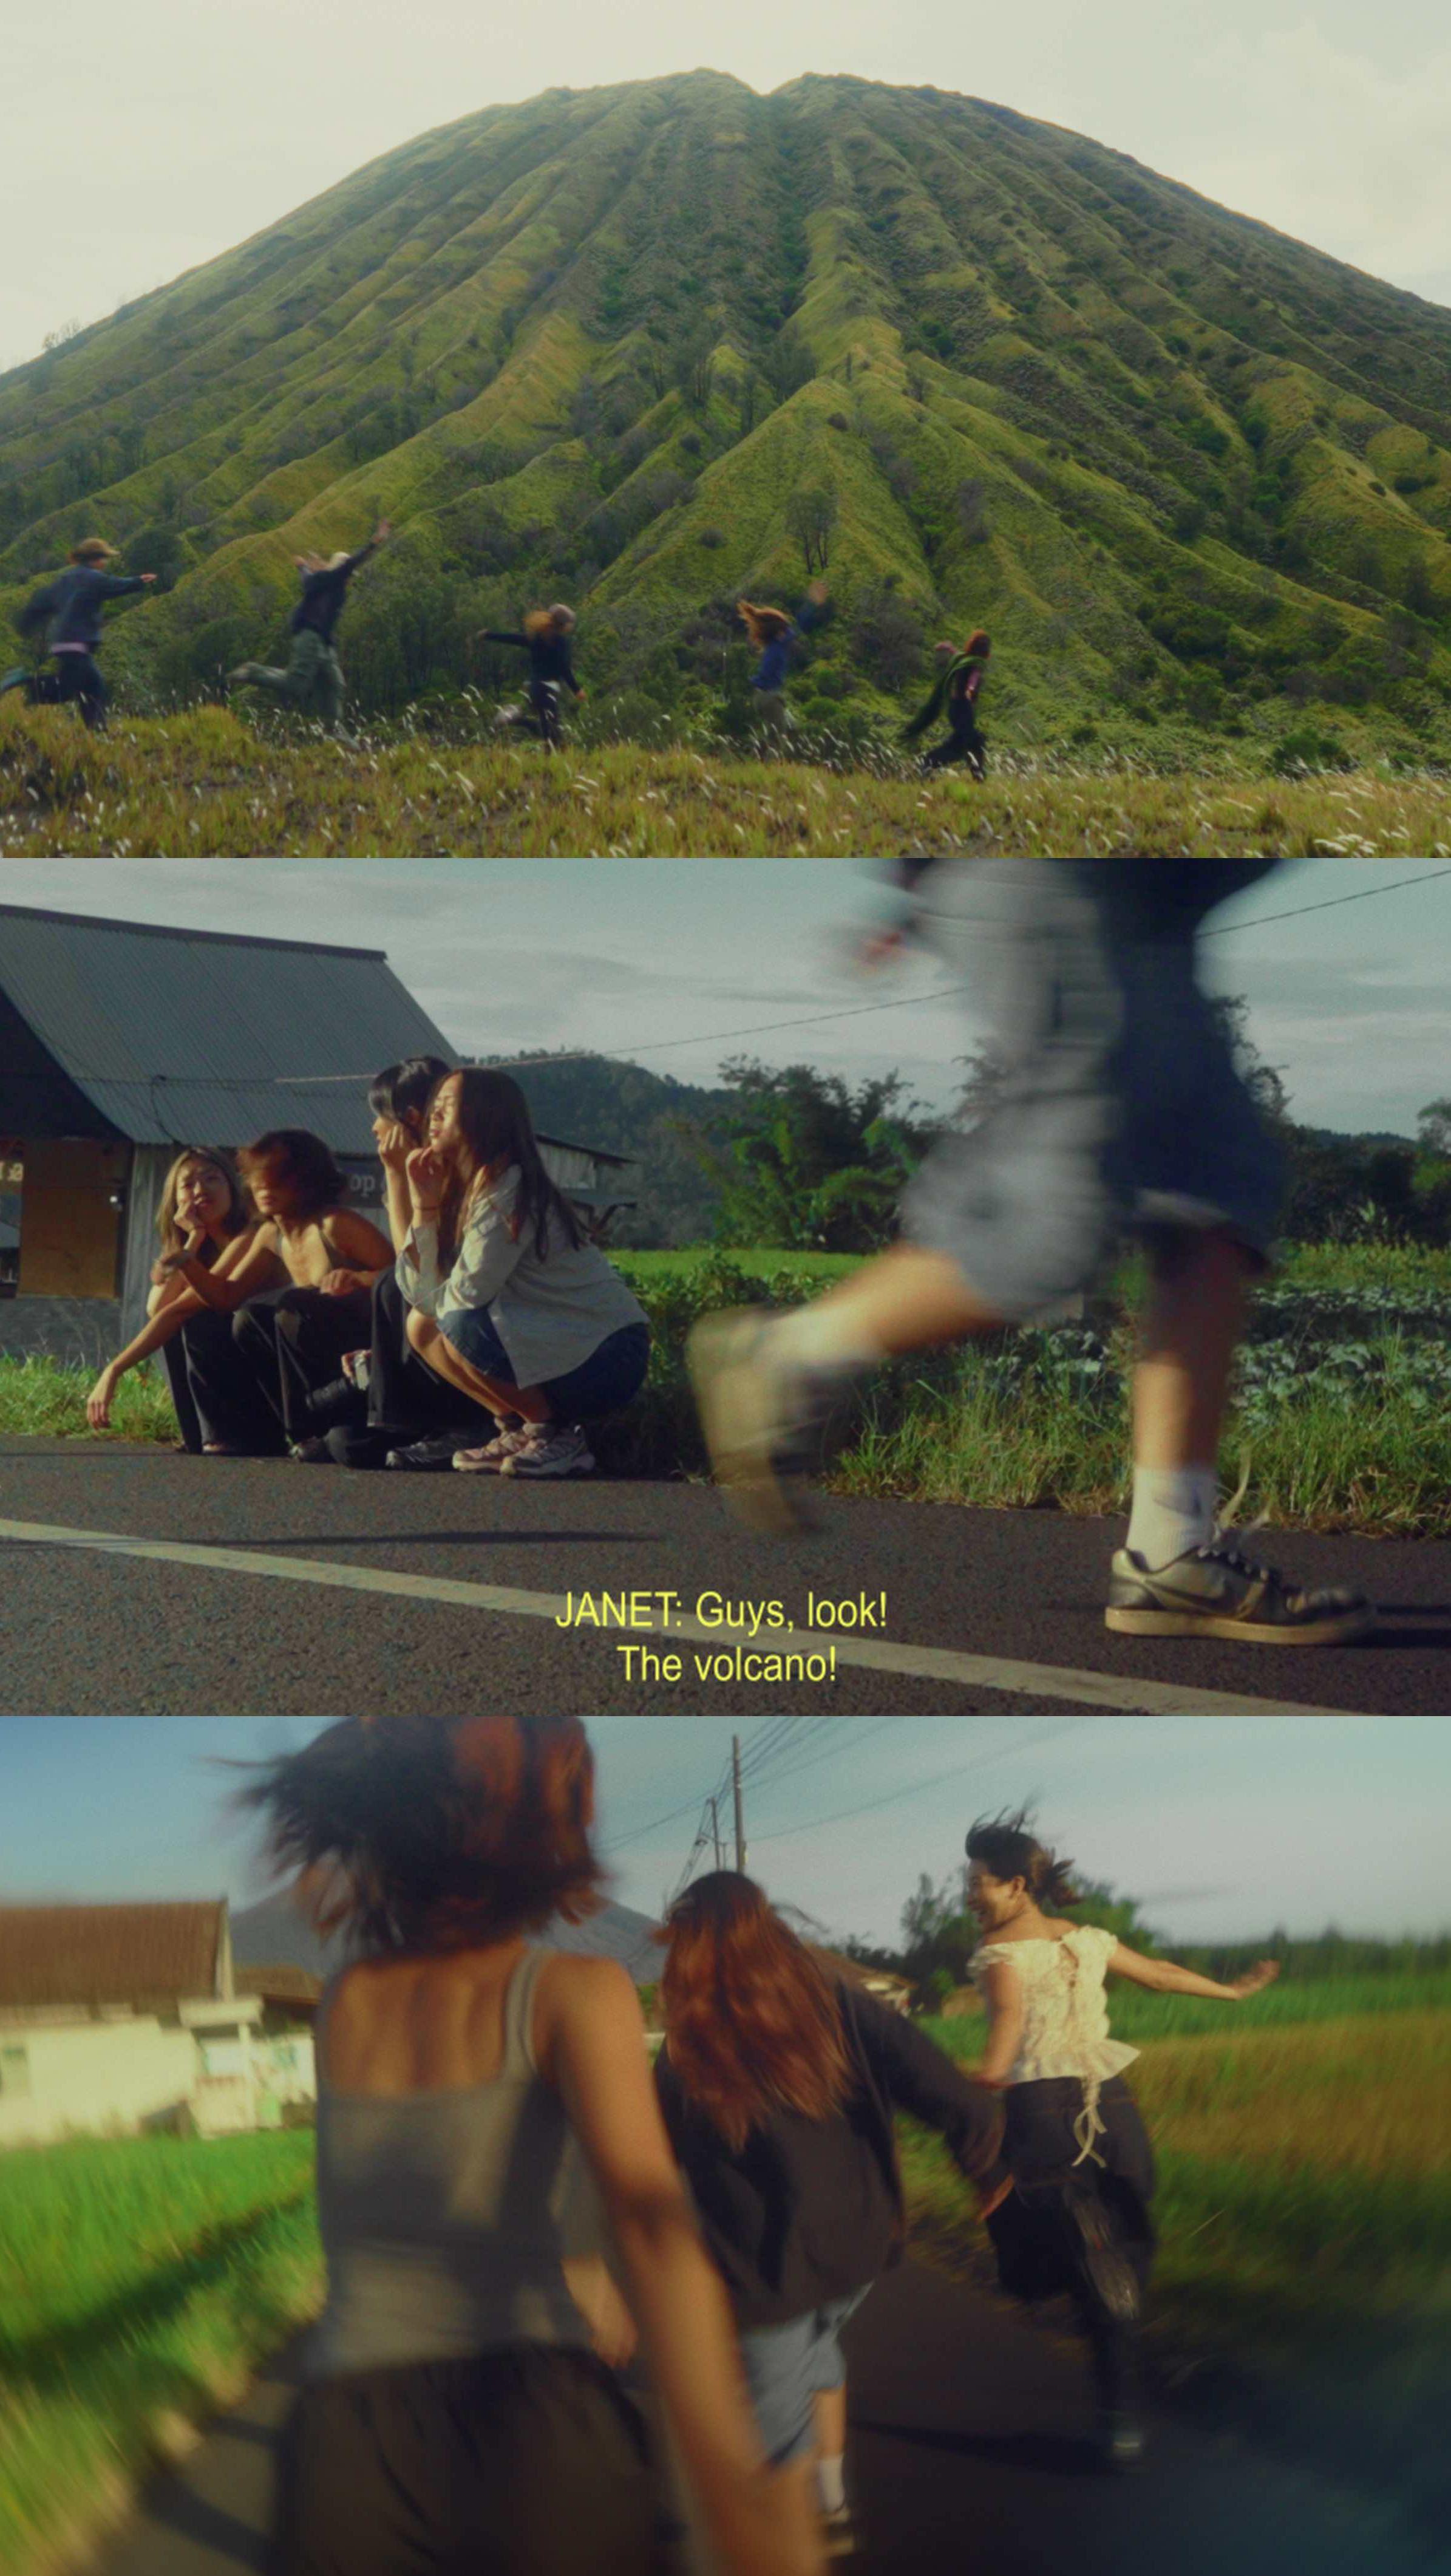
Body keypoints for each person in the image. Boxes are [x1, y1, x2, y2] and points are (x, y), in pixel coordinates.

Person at [688, 859, 1373, 1646]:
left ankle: (1170, 1550)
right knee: (1064, 1213)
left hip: (1148, 900)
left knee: (1218, 1194)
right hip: (1052, 877)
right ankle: (783, 1354)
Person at [246, 1716, 820, 2576]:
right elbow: (651, 2225)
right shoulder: (576, 1993)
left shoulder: (346, 2002)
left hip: (346, 2440)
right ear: (546, 1834)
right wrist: (732, 2491)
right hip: (530, 2426)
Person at [654, 1871, 1010, 2559]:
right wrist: (984, 2168)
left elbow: (655, 2167)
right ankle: (832, 2504)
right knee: (819, 2351)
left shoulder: (687, 2049)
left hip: (766, 2272)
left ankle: (779, 2541)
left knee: (768, 2435)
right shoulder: (837, 2005)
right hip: (859, 2246)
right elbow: (939, 2082)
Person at [965, 1809, 1279, 2469]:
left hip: (1043, 2113)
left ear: (1016, 1887)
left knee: (1083, 2253)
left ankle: (1117, 2404)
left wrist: (968, 2077)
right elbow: (1162, 1974)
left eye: (980, 1883)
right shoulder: (1086, 1938)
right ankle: (1121, 2365)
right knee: (1124, 2240)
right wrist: (1233, 1992)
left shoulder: (1000, 1956)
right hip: (1114, 2107)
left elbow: (1003, 2040)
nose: (970, 1895)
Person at [398, 1068, 650, 1481]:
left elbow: (466, 1298)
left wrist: (434, 1295)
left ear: (485, 1117)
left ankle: (555, 1436)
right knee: (422, 1326)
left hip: (610, 1355)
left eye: (446, 1107)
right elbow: (420, 1297)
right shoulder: (469, 1190)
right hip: (559, 1344)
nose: (433, 1118)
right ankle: (518, 1428)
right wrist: (423, 1206)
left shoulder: (511, 1192)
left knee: (458, 1320)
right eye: (434, 1108)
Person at [86, 1129, 393, 1453]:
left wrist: (360, 1279)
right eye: (258, 1176)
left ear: (306, 1179)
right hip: (309, 1366)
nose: (263, 1185)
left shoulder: (334, 1224)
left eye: (277, 1176)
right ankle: (294, 1432)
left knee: (291, 1305)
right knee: (247, 1318)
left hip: (359, 1356)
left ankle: (315, 1427)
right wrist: (187, 1259)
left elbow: (402, 1281)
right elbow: (222, 1298)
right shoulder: (271, 1234)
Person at [144, 1149, 257, 1452]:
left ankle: (223, 1433)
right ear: (175, 1198)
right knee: (173, 1321)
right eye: (188, 1184)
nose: (200, 1191)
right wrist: (194, 1238)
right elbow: (157, 1308)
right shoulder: (188, 1244)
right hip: (220, 1353)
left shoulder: (253, 1231)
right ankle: (198, 1433)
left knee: (196, 1316)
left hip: (257, 1350)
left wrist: (115, 1370)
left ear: (232, 1187)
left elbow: (219, 1296)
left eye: (211, 1179)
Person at [228, 522, 390, 729]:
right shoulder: (331, 580)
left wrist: (303, 566)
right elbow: (351, 564)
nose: (350, 578)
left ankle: (333, 730)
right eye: (348, 574)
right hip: (311, 637)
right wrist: (375, 542)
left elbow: (307, 577)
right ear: (342, 571)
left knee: (335, 685)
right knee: (296, 683)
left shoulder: (321, 581)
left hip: (324, 643)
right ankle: (253, 672)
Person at [0, 538, 157, 730]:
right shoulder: (94, 578)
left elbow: (42, 599)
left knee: (94, 687)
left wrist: (28, 622)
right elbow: (115, 585)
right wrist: (139, 581)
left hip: (63, 642)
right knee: (65, 690)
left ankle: (97, 730)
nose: (105, 563)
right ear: (95, 559)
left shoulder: (67, 578)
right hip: (77, 643)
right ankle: (23, 680)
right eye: (104, 558)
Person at [480, 606, 585, 748]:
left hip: (535, 689)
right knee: (553, 735)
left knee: (548, 733)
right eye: (570, 623)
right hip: (548, 691)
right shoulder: (560, 642)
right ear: (564, 624)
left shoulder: (538, 638)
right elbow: (564, 669)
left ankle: (515, 720)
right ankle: (515, 720)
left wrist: (489, 635)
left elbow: (513, 639)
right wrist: (577, 690)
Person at [737, 583, 829, 740]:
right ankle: (766, 761)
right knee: (778, 740)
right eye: (786, 630)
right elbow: (800, 624)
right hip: (770, 698)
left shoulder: (772, 646)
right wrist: (813, 603)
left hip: (762, 697)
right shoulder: (779, 643)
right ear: (780, 632)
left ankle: (760, 755)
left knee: (793, 730)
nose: (789, 633)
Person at [904, 630, 990, 778]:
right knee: (962, 746)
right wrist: (970, 690)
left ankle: (978, 774)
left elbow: (956, 654)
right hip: (963, 709)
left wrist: (948, 647)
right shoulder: (976, 664)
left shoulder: (963, 659)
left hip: (955, 709)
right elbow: (973, 679)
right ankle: (927, 763)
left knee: (973, 741)